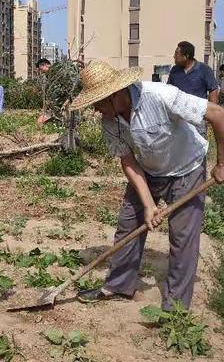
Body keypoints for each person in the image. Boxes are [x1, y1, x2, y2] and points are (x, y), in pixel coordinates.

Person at [69, 61, 224, 311]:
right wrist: (149, 204)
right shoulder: (109, 121)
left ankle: (175, 307)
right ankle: (119, 286)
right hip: (148, 171)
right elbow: (128, 161)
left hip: (187, 168)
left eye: (97, 102)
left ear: (115, 94)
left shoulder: (160, 96)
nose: (96, 109)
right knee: (128, 224)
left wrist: (221, 164)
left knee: (183, 239)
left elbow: (218, 114)